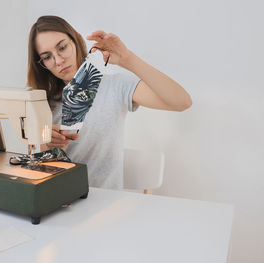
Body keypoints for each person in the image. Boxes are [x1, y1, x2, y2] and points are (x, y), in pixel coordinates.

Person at [27, 16, 192, 189]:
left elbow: (181, 102)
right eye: (47, 57)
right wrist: (49, 144)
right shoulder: (42, 102)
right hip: (63, 201)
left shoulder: (115, 86)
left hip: (108, 202)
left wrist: (126, 59)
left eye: (62, 47)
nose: (58, 60)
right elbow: (44, 178)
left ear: (75, 41)